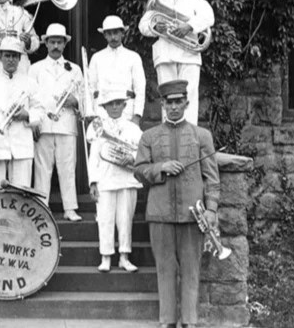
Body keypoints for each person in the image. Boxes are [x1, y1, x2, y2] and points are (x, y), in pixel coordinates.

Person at [134, 79, 220, 328]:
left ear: (186, 102)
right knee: (165, 270)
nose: (173, 107)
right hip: (159, 214)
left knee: (192, 270)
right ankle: (167, 321)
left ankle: (190, 322)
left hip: (193, 215)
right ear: (162, 104)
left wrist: (212, 209)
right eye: (169, 102)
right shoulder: (149, 136)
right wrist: (161, 167)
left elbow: (212, 178)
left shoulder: (201, 136)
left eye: (178, 102)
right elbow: (138, 171)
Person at [138, 0, 215, 125]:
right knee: (167, 99)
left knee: (189, 98)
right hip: (165, 56)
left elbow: (209, 17)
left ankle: (188, 141)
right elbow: (142, 26)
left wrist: (189, 26)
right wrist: (156, 28)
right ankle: (169, 141)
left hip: (189, 56)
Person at [28, 23, 83, 221]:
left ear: (64, 44)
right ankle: (42, 206)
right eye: (52, 42)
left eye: (59, 42)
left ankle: (70, 208)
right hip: (43, 124)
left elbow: (83, 97)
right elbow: (30, 98)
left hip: (66, 124)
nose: (56, 46)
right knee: (42, 168)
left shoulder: (75, 69)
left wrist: (75, 101)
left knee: (67, 167)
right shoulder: (35, 69)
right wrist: (34, 122)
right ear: (46, 43)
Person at [0, 37, 43, 189]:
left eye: (14, 56)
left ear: (19, 58)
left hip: (22, 144)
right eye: (7, 56)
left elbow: (41, 111)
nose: (11, 60)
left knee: (21, 191)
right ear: (0, 57)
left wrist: (27, 115)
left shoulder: (30, 83)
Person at [88, 89, 142, 273]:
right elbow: (93, 156)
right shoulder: (97, 127)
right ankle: (106, 257)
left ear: (124, 105)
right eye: (110, 104)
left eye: (118, 103)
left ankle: (124, 257)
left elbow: (141, 151)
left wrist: (132, 159)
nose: (115, 107)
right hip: (105, 179)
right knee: (105, 219)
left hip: (127, 179)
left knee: (125, 219)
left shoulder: (134, 129)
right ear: (104, 107)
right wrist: (93, 182)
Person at [88, 15, 145, 125]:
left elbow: (140, 89)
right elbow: (91, 88)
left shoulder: (133, 57)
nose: (113, 37)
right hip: (102, 114)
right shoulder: (96, 58)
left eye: (116, 33)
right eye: (109, 33)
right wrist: (91, 115)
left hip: (127, 113)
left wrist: (137, 116)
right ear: (104, 35)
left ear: (122, 33)